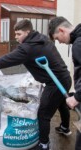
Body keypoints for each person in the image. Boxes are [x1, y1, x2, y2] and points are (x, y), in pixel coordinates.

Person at [0, 19, 72, 150]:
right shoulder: (43, 39)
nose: (16, 37)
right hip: (65, 78)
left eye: (19, 34)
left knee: (44, 114)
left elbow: (6, 60)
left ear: (28, 32)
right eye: (15, 34)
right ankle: (65, 127)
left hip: (54, 84)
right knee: (61, 104)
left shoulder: (28, 48)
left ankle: (44, 144)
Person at [49, 16, 81, 150]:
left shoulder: (79, 44)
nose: (60, 43)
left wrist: (78, 97)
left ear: (62, 30)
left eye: (57, 38)